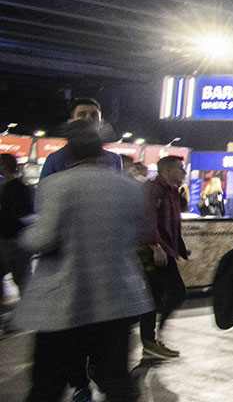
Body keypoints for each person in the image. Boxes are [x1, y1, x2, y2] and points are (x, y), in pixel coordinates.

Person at [15, 120, 152, 402]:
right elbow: (137, 233)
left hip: (66, 302)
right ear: (101, 150)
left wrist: (25, 233)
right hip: (115, 300)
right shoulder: (130, 188)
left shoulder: (57, 184)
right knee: (116, 380)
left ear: (69, 151)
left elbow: (43, 239)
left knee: (47, 384)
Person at [139, 155, 191, 361]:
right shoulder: (153, 189)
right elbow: (147, 219)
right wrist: (155, 246)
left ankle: (151, 339)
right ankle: (150, 339)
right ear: (168, 170)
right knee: (170, 293)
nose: (183, 172)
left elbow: (173, 222)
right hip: (156, 251)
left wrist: (180, 248)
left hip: (166, 250)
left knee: (159, 295)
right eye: (180, 168)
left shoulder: (172, 191)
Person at [38, 98, 122, 180]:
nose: (88, 118)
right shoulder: (55, 160)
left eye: (94, 115)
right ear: (71, 122)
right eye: (82, 114)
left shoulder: (114, 160)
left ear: (101, 123)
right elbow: (45, 188)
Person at [0, 154, 34, 300]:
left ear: (4, 166)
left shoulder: (12, 187)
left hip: (12, 238)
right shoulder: (22, 187)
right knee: (21, 277)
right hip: (18, 237)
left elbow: (20, 214)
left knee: (21, 277)